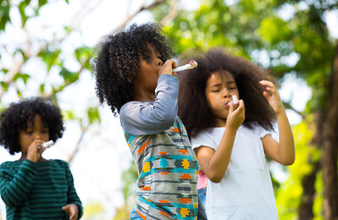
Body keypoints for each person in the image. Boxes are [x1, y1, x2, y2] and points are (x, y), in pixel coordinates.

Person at [93, 23, 206, 220]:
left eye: (158, 56)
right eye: (147, 58)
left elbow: (188, 173)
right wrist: (166, 80)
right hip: (153, 215)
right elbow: (162, 115)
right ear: (127, 72)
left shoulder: (173, 119)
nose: (159, 61)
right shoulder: (130, 112)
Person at [177, 47, 295, 220]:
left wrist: (280, 113)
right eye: (216, 90)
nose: (226, 93)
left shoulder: (254, 129)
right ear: (201, 99)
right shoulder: (203, 137)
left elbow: (286, 157)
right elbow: (215, 174)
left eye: (231, 87)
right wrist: (231, 129)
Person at [0, 97, 83, 220]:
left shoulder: (61, 168)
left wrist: (75, 208)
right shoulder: (6, 169)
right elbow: (12, 199)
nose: (37, 136)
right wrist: (30, 162)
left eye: (43, 131)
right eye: (29, 132)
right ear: (15, 136)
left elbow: (74, 199)